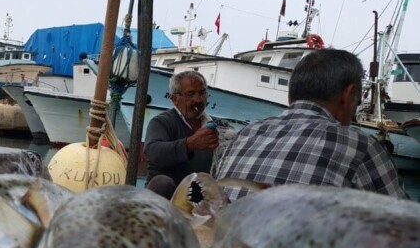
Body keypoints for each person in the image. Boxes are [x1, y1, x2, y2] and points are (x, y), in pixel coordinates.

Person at [216, 48, 407, 200]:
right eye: (358, 101)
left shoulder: (246, 134)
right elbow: (404, 226)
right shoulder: (361, 147)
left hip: (228, 244)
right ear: (348, 95)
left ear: (290, 96)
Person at [144, 70, 220, 198]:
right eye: (190, 94)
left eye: (202, 93)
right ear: (175, 99)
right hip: (166, 200)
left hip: (199, 198)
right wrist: (190, 144)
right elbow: (153, 152)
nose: (198, 99)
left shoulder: (217, 125)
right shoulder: (161, 122)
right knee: (162, 183)